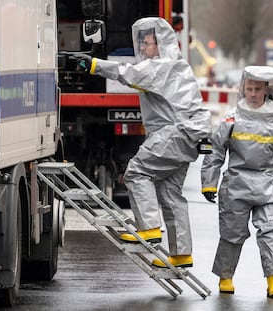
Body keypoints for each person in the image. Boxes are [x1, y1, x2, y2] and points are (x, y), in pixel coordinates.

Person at [80, 17, 212, 268]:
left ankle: (149, 229)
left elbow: (126, 73)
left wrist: (93, 64)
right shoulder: (177, 65)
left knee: (136, 172)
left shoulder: (161, 66)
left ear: (161, 44)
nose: (143, 48)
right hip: (187, 135)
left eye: (147, 43)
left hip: (173, 134)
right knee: (171, 194)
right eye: (141, 42)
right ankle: (181, 254)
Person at [201, 66, 273, 299]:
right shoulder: (232, 117)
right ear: (243, 88)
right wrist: (209, 182)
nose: (253, 93)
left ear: (267, 90)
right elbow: (216, 150)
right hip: (236, 184)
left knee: (271, 231)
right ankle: (225, 278)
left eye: (258, 89)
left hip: (268, 184)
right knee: (231, 233)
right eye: (249, 88)